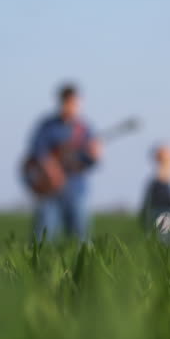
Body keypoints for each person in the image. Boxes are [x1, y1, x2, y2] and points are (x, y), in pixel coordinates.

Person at [25, 82, 101, 241]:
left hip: (76, 189)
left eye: (74, 103)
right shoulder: (47, 126)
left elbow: (90, 162)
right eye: (67, 102)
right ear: (60, 102)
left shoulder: (84, 129)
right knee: (43, 235)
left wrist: (95, 155)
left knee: (81, 236)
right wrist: (50, 168)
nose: (71, 107)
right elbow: (37, 152)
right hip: (49, 191)